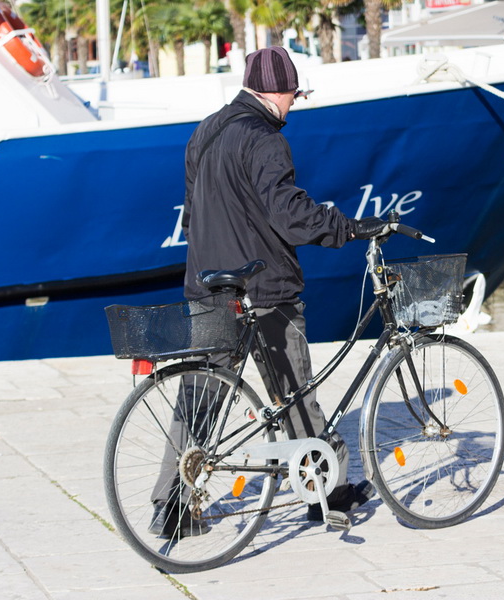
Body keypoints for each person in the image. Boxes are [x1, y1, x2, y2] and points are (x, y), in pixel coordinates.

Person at [150, 46, 386, 536]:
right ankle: (327, 495)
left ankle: (169, 506)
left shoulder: (206, 130)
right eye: (294, 95)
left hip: (209, 284)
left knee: (200, 394)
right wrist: (346, 227)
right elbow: (291, 215)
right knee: (295, 391)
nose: (295, 104)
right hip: (263, 286)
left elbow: (191, 214)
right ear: (276, 93)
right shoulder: (264, 139)